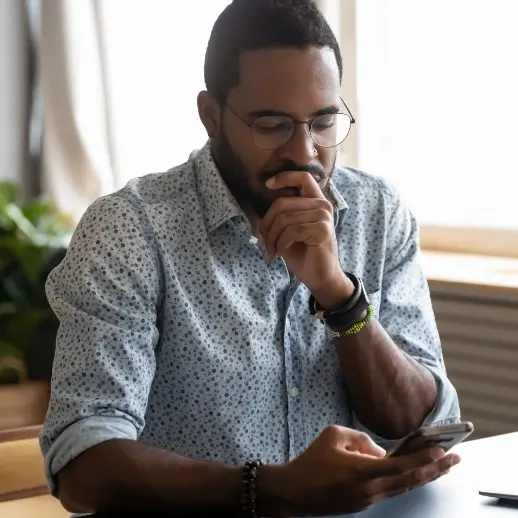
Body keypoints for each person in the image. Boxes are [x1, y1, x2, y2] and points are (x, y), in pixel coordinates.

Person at [40, 0, 462, 516]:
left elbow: (424, 422)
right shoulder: (131, 230)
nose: (304, 152)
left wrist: (340, 296)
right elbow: (81, 461)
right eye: (272, 124)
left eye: (324, 122)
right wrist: (268, 489)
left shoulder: (378, 213)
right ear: (211, 116)